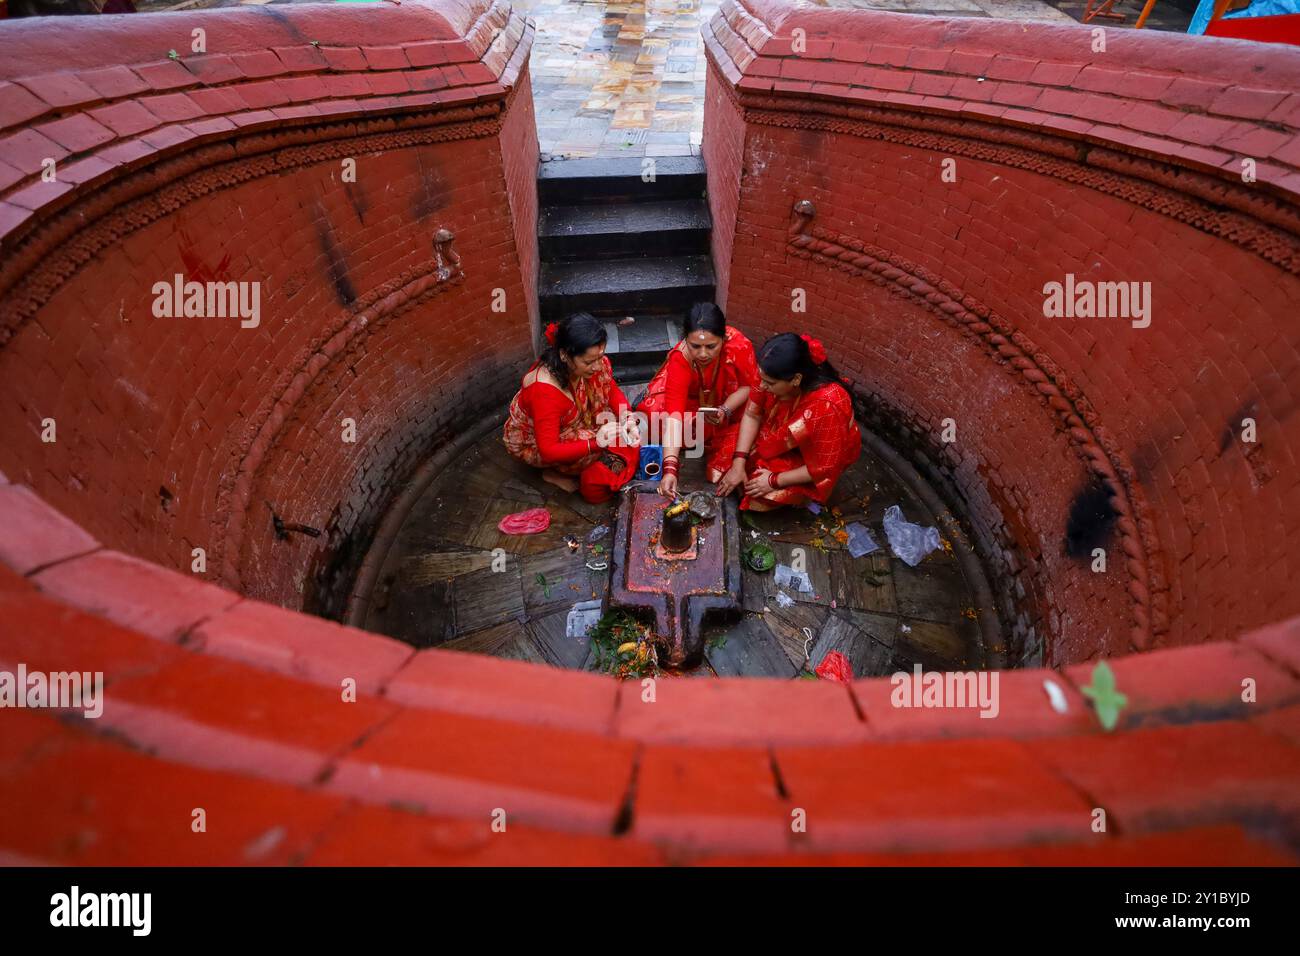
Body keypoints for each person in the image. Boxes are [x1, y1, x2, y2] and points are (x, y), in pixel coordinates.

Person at [503, 312, 640, 504]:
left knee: (616, 427)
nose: (598, 365)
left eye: (600, 357)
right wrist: (597, 443)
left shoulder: (593, 365)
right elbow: (548, 450)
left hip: (574, 421)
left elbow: (611, 390)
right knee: (597, 446)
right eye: (589, 362)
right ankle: (550, 473)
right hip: (534, 441)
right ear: (564, 355)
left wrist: (628, 417)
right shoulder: (544, 391)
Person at [715, 332, 861, 511]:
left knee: (759, 495)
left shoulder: (827, 404)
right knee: (726, 459)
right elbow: (752, 415)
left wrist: (773, 480)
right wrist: (739, 463)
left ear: (796, 379)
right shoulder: (767, 373)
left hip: (813, 456)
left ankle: (802, 495)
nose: (761, 386)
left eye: (769, 383)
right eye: (761, 378)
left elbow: (825, 467)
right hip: (778, 431)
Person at [637, 302, 759, 498]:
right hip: (690, 401)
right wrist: (669, 468)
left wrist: (725, 409)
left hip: (729, 399)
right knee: (652, 419)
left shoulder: (739, 346)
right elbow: (674, 416)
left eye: (711, 346)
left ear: (724, 339)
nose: (703, 354)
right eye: (695, 346)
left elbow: (749, 386)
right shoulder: (681, 357)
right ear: (685, 340)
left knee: (755, 413)